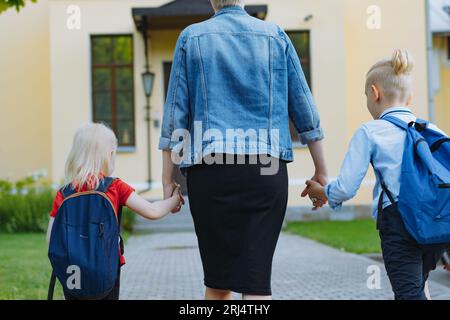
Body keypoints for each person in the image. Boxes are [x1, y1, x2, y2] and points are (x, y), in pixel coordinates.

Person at [159, 0, 327, 300]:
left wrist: (166, 179)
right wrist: (322, 171)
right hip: (266, 171)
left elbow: (176, 116)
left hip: (210, 173)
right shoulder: (275, 36)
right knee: (256, 283)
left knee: (217, 283)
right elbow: (304, 108)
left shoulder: (191, 37)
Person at [304, 49, 449, 300]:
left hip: (399, 223)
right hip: (435, 220)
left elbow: (347, 188)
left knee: (408, 293)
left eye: (365, 96)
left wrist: (322, 192)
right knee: (417, 287)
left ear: (374, 93)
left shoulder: (370, 131)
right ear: (410, 98)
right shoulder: (431, 129)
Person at [46, 122, 183, 300]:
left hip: (73, 274)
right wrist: (174, 199)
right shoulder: (114, 187)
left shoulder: (64, 193)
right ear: (109, 155)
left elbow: (51, 238)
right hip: (105, 270)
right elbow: (152, 211)